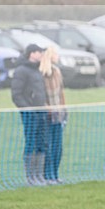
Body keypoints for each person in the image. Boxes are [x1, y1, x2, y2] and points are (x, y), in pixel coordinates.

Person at [11, 44, 48, 186]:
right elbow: (16, 94)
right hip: (30, 113)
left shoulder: (37, 70)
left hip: (41, 112)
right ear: (32, 54)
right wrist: (28, 108)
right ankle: (30, 177)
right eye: (39, 52)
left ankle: (39, 175)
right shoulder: (21, 71)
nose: (41, 55)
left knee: (41, 142)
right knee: (31, 142)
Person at [40, 47, 67, 185]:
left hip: (59, 115)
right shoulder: (42, 74)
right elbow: (41, 95)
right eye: (55, 53)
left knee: (58, 146)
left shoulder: (57, 72)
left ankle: (55, 174)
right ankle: (48, 175)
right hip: (48, 116)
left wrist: (64, 109)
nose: (57, 56)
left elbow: (61, 92)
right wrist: (47, 108)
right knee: (48, 146)